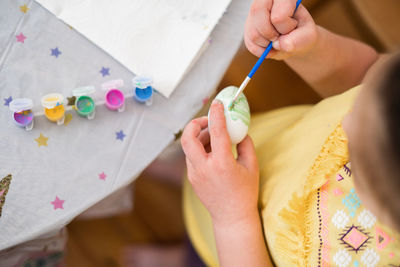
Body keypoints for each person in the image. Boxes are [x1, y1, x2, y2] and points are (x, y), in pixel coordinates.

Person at [181, 0, 400, 266]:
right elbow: (365, 72)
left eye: (356, 146)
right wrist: (309, 49)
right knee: (199, 175)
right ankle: (183, 180)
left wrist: (232, 217)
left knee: (196, 252)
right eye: (361, 98)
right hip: (266, 150)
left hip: (229, 241)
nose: (347, 119)